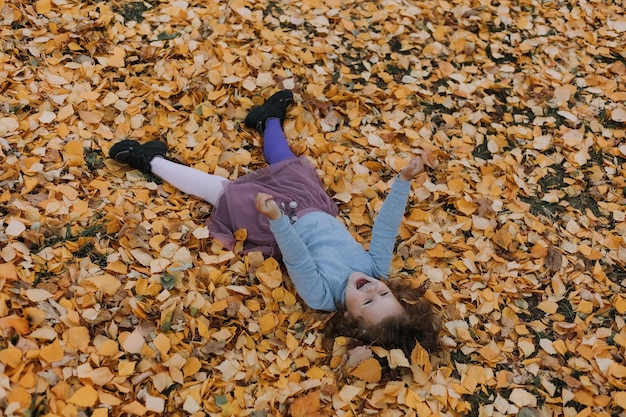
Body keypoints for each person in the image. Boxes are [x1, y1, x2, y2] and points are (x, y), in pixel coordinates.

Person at [108, 90, 440, 356]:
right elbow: (385, 228)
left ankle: (149, 159)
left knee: (223, 192)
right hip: (311, 204)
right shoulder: (376, 268)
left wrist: (277, 219)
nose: (371, 288)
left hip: (275, 224)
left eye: (367, 301)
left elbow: (297, 258)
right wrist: (403, 179)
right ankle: (267, 120)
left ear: (350, 319)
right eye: (382, 293)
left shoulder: (322, 296)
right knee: (288, 164)